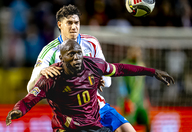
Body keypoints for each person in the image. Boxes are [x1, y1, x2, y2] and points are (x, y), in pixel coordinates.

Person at [6, 39, 174, 132]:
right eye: (71, 54)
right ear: (61, 58)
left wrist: (152, 72)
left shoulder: (94, 65)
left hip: (93, 125)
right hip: (67, 128)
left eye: (79, 53)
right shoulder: (52, 77)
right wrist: (17, 110)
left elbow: (121, 69)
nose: (77, 57)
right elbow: (30, 98)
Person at [26, 4, 135, 132]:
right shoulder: (50, 51)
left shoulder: (91, 43)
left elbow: (107, 82)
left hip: (97, 107)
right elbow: (30, 88)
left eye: (76, 23)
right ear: (60, 25)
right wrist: (41, 72)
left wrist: (95, 77)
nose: (74, 27)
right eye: (69, 23)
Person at [119, 46, 150, 132]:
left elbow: (143, 85)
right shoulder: (123, 65)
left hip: (140, 101)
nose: (138, 54)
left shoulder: (141, 65)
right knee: (128, 125)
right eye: (135, 51)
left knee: (147, 123)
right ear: (129, 52)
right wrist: (127, 101)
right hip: (129, 101)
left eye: (139, 51)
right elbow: (122, 85)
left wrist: (146, 99)